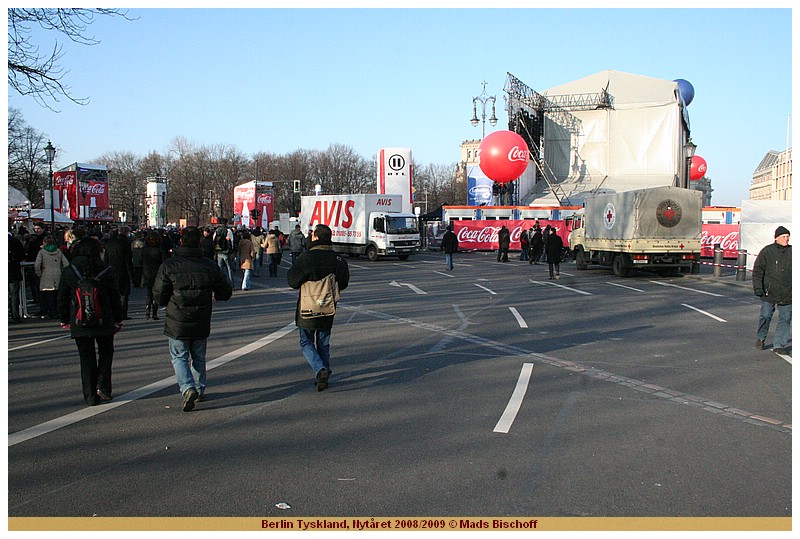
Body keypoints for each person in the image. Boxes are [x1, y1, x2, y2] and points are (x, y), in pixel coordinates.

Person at [152, 226, 233, 411]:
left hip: (177, 318)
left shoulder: (170, 265)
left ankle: (187, 387)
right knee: (198, 356)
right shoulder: (209, 265)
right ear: (199, 241)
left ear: (181, 241)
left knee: (179, 356)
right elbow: (225, 290)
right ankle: (199, 388)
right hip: (201, 317)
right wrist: (216, 295)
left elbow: (159, 296)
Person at [57, 237, 123, 405]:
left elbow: (62, 297)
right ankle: (104, 387)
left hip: (79, 318)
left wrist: (64, 318)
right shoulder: (106, 270)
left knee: (86, 357)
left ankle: (90, 395)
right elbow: (115, 296)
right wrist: (118, 318)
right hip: (104, 317)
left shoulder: (70, 270)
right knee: (106, 352)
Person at [287, 224, 349, 392]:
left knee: (306, 341)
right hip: (328, 306)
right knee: (324, 342)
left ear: (315, 237)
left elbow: (292, 281)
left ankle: (320, 368)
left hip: (307, 307)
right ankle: (325, 372)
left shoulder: (306, 258)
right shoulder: (337, 259)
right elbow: (343, 283)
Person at [752, 226, 792, 356]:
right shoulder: (767, 251)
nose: (786, 239)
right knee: (766, 315)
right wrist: (758, 287)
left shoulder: (793, 251)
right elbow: (758, 270)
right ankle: (761, 337)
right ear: (776, 238)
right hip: (769, 291)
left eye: (788, 237)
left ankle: (779, 344)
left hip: (788, 293)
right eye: (783, 237)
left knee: (785, 319)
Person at [34, 234, 70, 319]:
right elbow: (66, 264)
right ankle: (59, 312)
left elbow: (37, 265)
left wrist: (39, 273)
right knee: (57, 295)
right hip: (58, 273)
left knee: (48, 295)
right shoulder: (58, 251)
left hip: (46, 274)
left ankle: (52, 312)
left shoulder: (42, 252)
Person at [103, 225, 135, 320]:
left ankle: (113, 312)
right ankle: (123, 313)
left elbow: (106, 259)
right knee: (124, 294)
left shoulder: (109, 243)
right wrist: (131, 275)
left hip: (111, 271)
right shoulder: (125, 243)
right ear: (126, 233)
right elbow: (128, 261)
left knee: (113, 293)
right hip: (123, 271)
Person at [140, 230, 165, 320]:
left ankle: (147, 311)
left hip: (147, 273)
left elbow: (140, 261)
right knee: (156, 293)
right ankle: (154, 313)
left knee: (148, 293)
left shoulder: (144, 250)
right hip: (157, 273)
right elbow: (163, 262)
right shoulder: (159, 250)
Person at [9, 231, 26, 323]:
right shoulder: (15, 242)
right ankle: (15, 315)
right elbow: (22, 255)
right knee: (14, 295)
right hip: (13, 271)